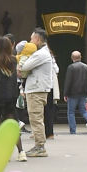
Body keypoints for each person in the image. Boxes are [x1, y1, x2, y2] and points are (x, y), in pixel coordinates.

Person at [17, 29, 54, 159]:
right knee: (36, 118)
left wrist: (24, 58)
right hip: (38, 88)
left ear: (38, 39)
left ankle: (40, 147)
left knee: (36, 118)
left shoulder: (40, 54)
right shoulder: (42, 52)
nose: (30, 42)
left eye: (32, 39)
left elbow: (25, 66)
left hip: (36, 89)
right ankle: (39, 145)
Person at [63, 49, 87, 134]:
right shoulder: (86, 67)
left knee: (71, 112)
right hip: (83, 92)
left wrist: (65, 93)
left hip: (73, 93)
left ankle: (73, 131)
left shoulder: (71, 67)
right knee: (83, 110)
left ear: (72, 58)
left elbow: (68, 81)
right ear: (80, 57)